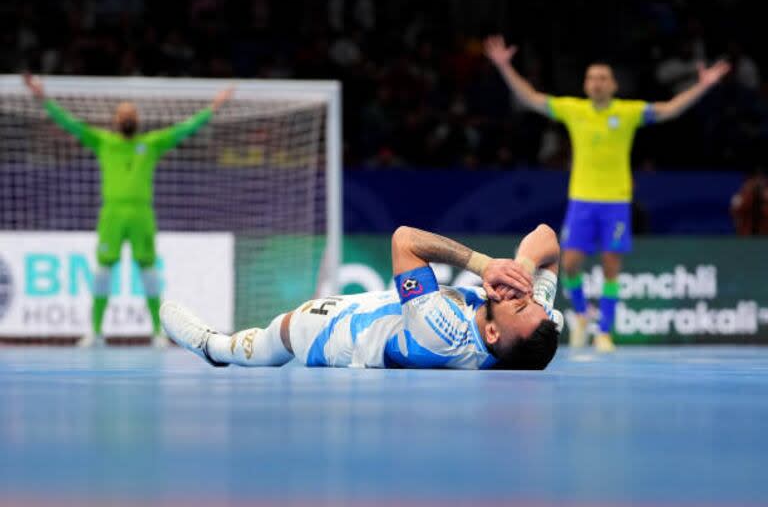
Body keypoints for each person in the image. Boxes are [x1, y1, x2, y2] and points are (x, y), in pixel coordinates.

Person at [484, 35, 731, 352]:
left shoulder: (628, 112)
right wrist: (505, 66)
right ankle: (583, 314)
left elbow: (670, 109)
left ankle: (604, 331)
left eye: (603, 78)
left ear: (613, 85)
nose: (596, 82)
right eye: (591, 77)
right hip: (582, 202)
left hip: (615, 202)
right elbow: (530, 98)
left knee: (612, 266)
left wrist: (704, 84)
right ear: (586, 85)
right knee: (570, 263)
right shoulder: (573, 109)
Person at [161, 224, 563, 370]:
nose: (521, 296)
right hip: (380, 310)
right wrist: (524, 267)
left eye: (520, 304)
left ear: (491, 335)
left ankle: (213, 348)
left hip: (338, 336)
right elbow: (548, 240)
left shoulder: (441, 335)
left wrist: (483, 264)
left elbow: (404, 240)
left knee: (280, 333)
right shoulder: (531, 325)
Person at [23, 73, 234, 347]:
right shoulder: (103, 141)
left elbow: (186, 128)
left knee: (148, 272)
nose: (126, 117)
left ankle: (158, 332)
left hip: (141, 215)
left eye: (130, 113)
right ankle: (96, 332)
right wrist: (42, 98)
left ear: (137, 120)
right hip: (112, 214)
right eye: (122, 114)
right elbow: (68, 123)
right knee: (102, 272)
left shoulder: (153, 143)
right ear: (115, 121)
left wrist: (214, 108)